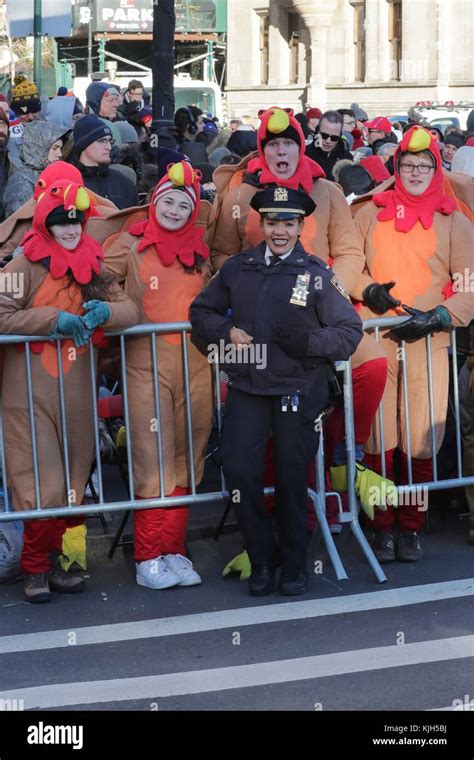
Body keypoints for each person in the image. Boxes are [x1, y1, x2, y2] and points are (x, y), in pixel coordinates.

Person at [208, 106, 390, 541]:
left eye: (289, 142)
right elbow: (220, 255)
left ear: (300, 145)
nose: (282, 150)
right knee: (268, 412)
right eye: (273, 145)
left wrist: (329, 292)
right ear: (263, 150)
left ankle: (344, 453)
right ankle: (283, 518)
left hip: (320, 311)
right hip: (262, 320)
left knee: (373, 365)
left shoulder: (326, 190)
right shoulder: (240, 193)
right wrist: (246, 289)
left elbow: (349, 253)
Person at [190, 186, 363, 596]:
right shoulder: (238, 268)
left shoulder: (317, 273)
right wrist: (225, 331)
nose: (279, 231)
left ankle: (295, 564)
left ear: (301, 226)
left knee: (290, 479)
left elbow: (349, 332)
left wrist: (310, 345)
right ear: (261, 225)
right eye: (272, 222)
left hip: (297, 390)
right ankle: (261, 559)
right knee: (240, 472)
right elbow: (201, 311)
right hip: (249, 387)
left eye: (288, 223)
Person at [0, 180, 138, 603]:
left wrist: (108, 311)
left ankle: (58, 561)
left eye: (76, 221)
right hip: (27, 393)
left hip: (78, 390)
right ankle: (35, 569)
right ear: (46, 225)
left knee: (75, 478)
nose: (71, 229)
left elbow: (132, 309)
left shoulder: (92, 264)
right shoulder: (23, 265)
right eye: (61, 222)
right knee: (41, 481)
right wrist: (49, 319)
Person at [351, 125, 473, 562]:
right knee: (380, 435)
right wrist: (368, 291)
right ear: (397, 167)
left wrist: (439, 316)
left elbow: (470, 284)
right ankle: (382, 526)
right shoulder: (368, 213)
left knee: (421, 436)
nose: (416, 172)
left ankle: (412, 527)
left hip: (430, 338)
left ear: (436, 168)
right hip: (377, 336)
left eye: (424, 165)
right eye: (408, 165)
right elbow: (347, 266)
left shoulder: (455, 219)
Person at [104, 161, 214, 590]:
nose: (173, 209)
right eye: (167, 200)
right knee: (153, 458)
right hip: (144, 362)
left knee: (189, 452)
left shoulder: (201, 248)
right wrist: (119, 307)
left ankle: (174, 549)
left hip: (195, 363)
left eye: (182, 203)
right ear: (154, 202)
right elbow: (96, 277)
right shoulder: (130, 242)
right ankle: (148, 555)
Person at [3, 120, 69, 217]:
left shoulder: (47, 175)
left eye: (60, 148)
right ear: (39, 148)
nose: (59, 154)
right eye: (55, 148)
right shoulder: (21, 185)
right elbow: (19, 226)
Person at [71, 114, 138, 209]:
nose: (109, 147)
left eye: (110, 141)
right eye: (102, 141)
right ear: (84, 144)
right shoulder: (69, 183)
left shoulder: (124, 183)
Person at [305, 110, 353, 181]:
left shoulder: (347, 159)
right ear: (318, 132)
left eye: (334, 138)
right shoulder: (304, 155)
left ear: (339, 136)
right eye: (324, 135)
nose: (328, 141)